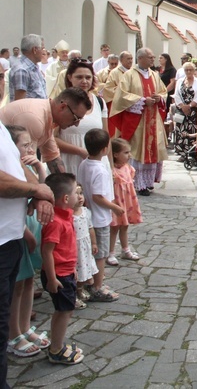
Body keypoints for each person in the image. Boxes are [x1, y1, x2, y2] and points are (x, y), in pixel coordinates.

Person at [0, 120, 54, 387]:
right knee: (7, 304)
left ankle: (21, 331)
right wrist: (35, 190)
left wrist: (40, 182)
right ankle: (13, 337)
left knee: (20, 289)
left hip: (14, 236)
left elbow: (30, 177)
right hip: (9, 237)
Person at [110, 48, 168, 196]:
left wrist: (159, 98)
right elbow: (121, 96)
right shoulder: (129, 75)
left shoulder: (155, 75)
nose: (153, 59)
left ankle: (148, 182)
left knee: (152, 149)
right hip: (138, 121)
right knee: (138, 150)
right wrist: (142, 100)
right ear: (140, 58)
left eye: (153, 57)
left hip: (153, 120)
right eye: (150, 57)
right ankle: (138, 183)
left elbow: (164, 92)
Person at [40, 172, 84, 365]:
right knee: (64, 311)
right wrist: (51, 278)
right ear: (66, 198)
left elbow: (65, 250)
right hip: (58, 276)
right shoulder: (56, 222)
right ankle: (56, 349)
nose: (79, 196)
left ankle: (56, 344)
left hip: (65, 273)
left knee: (64, 310)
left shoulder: (66, 217)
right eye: (76, 192)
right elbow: (47, 252)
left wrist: (72, 268)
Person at [78, 128, 124, 302]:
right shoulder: (101, 170)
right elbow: (98, 196)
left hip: (88, 216)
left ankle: (90, 282)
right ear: (105, 149)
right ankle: (97, 287)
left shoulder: (84, 164)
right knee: (101, 254)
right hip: (99, 218)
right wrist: (115, 207)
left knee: (90, 252)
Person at [0, 88, 93, 174]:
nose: (76, 124)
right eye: (76, 118)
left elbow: (53, 158)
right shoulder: (35, 118)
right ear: (62, 107)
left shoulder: (47, 114)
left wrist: (69, 187)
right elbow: (28, 166)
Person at [54, 58, 109, 176]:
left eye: (88, 77)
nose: (84, 81)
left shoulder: (100, 102)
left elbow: (106, 136)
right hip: (70, 161)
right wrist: (79, 151)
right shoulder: (61, 102)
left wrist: (111, 168)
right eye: (79, 77)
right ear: (70, 77)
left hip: (96, 164)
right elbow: (52, 138)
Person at [108, 138, 144, 265]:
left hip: (128, 202)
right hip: (117, 202)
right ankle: (110, 252)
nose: (129, 155)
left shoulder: (128, 168)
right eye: (126, 152)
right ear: (116, 154)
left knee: (125, 226)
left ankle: (125, 249)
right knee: (114, 227)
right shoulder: (111, 170)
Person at [71, 184, 96, 309]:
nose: (80, 197)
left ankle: (79, 289)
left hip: (84, 248)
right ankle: (72, 295)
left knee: (84, 271)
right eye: (76, 194)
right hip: (74, 249)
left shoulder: (86, 212)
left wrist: (94, 243)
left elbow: (90, 228)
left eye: (81, 193)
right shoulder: (68, 215)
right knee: (75, 273)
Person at [173, 62, 197, 161]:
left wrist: (189, 106)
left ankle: (192, 152)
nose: (188, 72)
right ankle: (182, 153)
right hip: (181, 110)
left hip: (193, 110)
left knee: (192, 130)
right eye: (186, 70)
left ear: (194, 70)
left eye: (190, 70)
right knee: (180, 130)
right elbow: (176, 94)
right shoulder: (180, 81)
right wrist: (182, 106)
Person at [8, 34, 47, 101]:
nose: (44, 51)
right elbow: (20, 103)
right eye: (42, 48)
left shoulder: (34, 67)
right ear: (35, 50)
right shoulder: (22, 70)